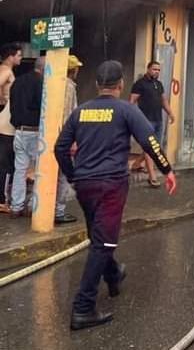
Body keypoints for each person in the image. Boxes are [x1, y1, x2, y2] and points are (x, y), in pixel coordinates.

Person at [55, 60, 177, 331]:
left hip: (85, 186)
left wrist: (73, 175)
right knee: (103, 244)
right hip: (111, 185)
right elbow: (150, 141)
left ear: (98, 85)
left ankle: (113, 273)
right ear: (121, 85)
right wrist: (166, 169)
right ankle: (83, 308)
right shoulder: (125, 110)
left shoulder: (81, 112)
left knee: (99, 238)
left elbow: (60, 148)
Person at [9, 56, 44, 218]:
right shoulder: (41, 83)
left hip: (19, 131)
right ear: (44, 69)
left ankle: (16, 206)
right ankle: (33, 206)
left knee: (20, 170)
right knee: (39, 171)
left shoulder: (17, 82)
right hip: (35, 131)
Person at [129, 61, 174, 187]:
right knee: (151, 148)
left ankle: (136, 164)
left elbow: (163, 100)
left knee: (155, 148)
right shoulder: (139, 84)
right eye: (154, 69)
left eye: (158, 70)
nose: (156, 72)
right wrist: (134, 117)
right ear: (148, 69)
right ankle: (152, 176)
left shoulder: (158, 84)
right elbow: (131, 102)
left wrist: (170, 113)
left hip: (158, 120)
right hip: (146, 121)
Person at [54, 55, 83, 225]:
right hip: (64, 136)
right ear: (73, 70)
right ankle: (59, 211)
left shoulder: (55, 83)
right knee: (64, 175)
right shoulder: (69, 87)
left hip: (53, 135)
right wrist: (72, 139)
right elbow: (68, 115)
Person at [0, 42, 22, 212]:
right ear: (10, 56)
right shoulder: (6, 71)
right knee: (6, 161)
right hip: (6, 119)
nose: (20, 58)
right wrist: (3, 101)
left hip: (4, 115)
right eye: (19, 55)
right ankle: (3, 200)